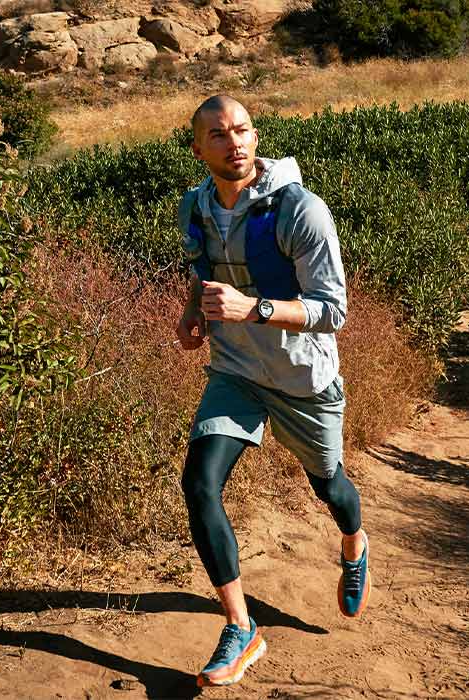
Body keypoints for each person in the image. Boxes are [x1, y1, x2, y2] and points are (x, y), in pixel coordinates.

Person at [174, 95, 370, 688]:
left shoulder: (301, 211)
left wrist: (252, 308)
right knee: (199, 483)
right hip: (235, 371)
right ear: (198, 149)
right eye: (218, 134)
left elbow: (333, 311)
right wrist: (193, 312)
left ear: (256, 137)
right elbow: (203, 270)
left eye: (242, 130)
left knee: (330, 486)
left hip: (302, 379)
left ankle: (354, 544)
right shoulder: (195, 208)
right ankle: (241, 626)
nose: (233, 142)